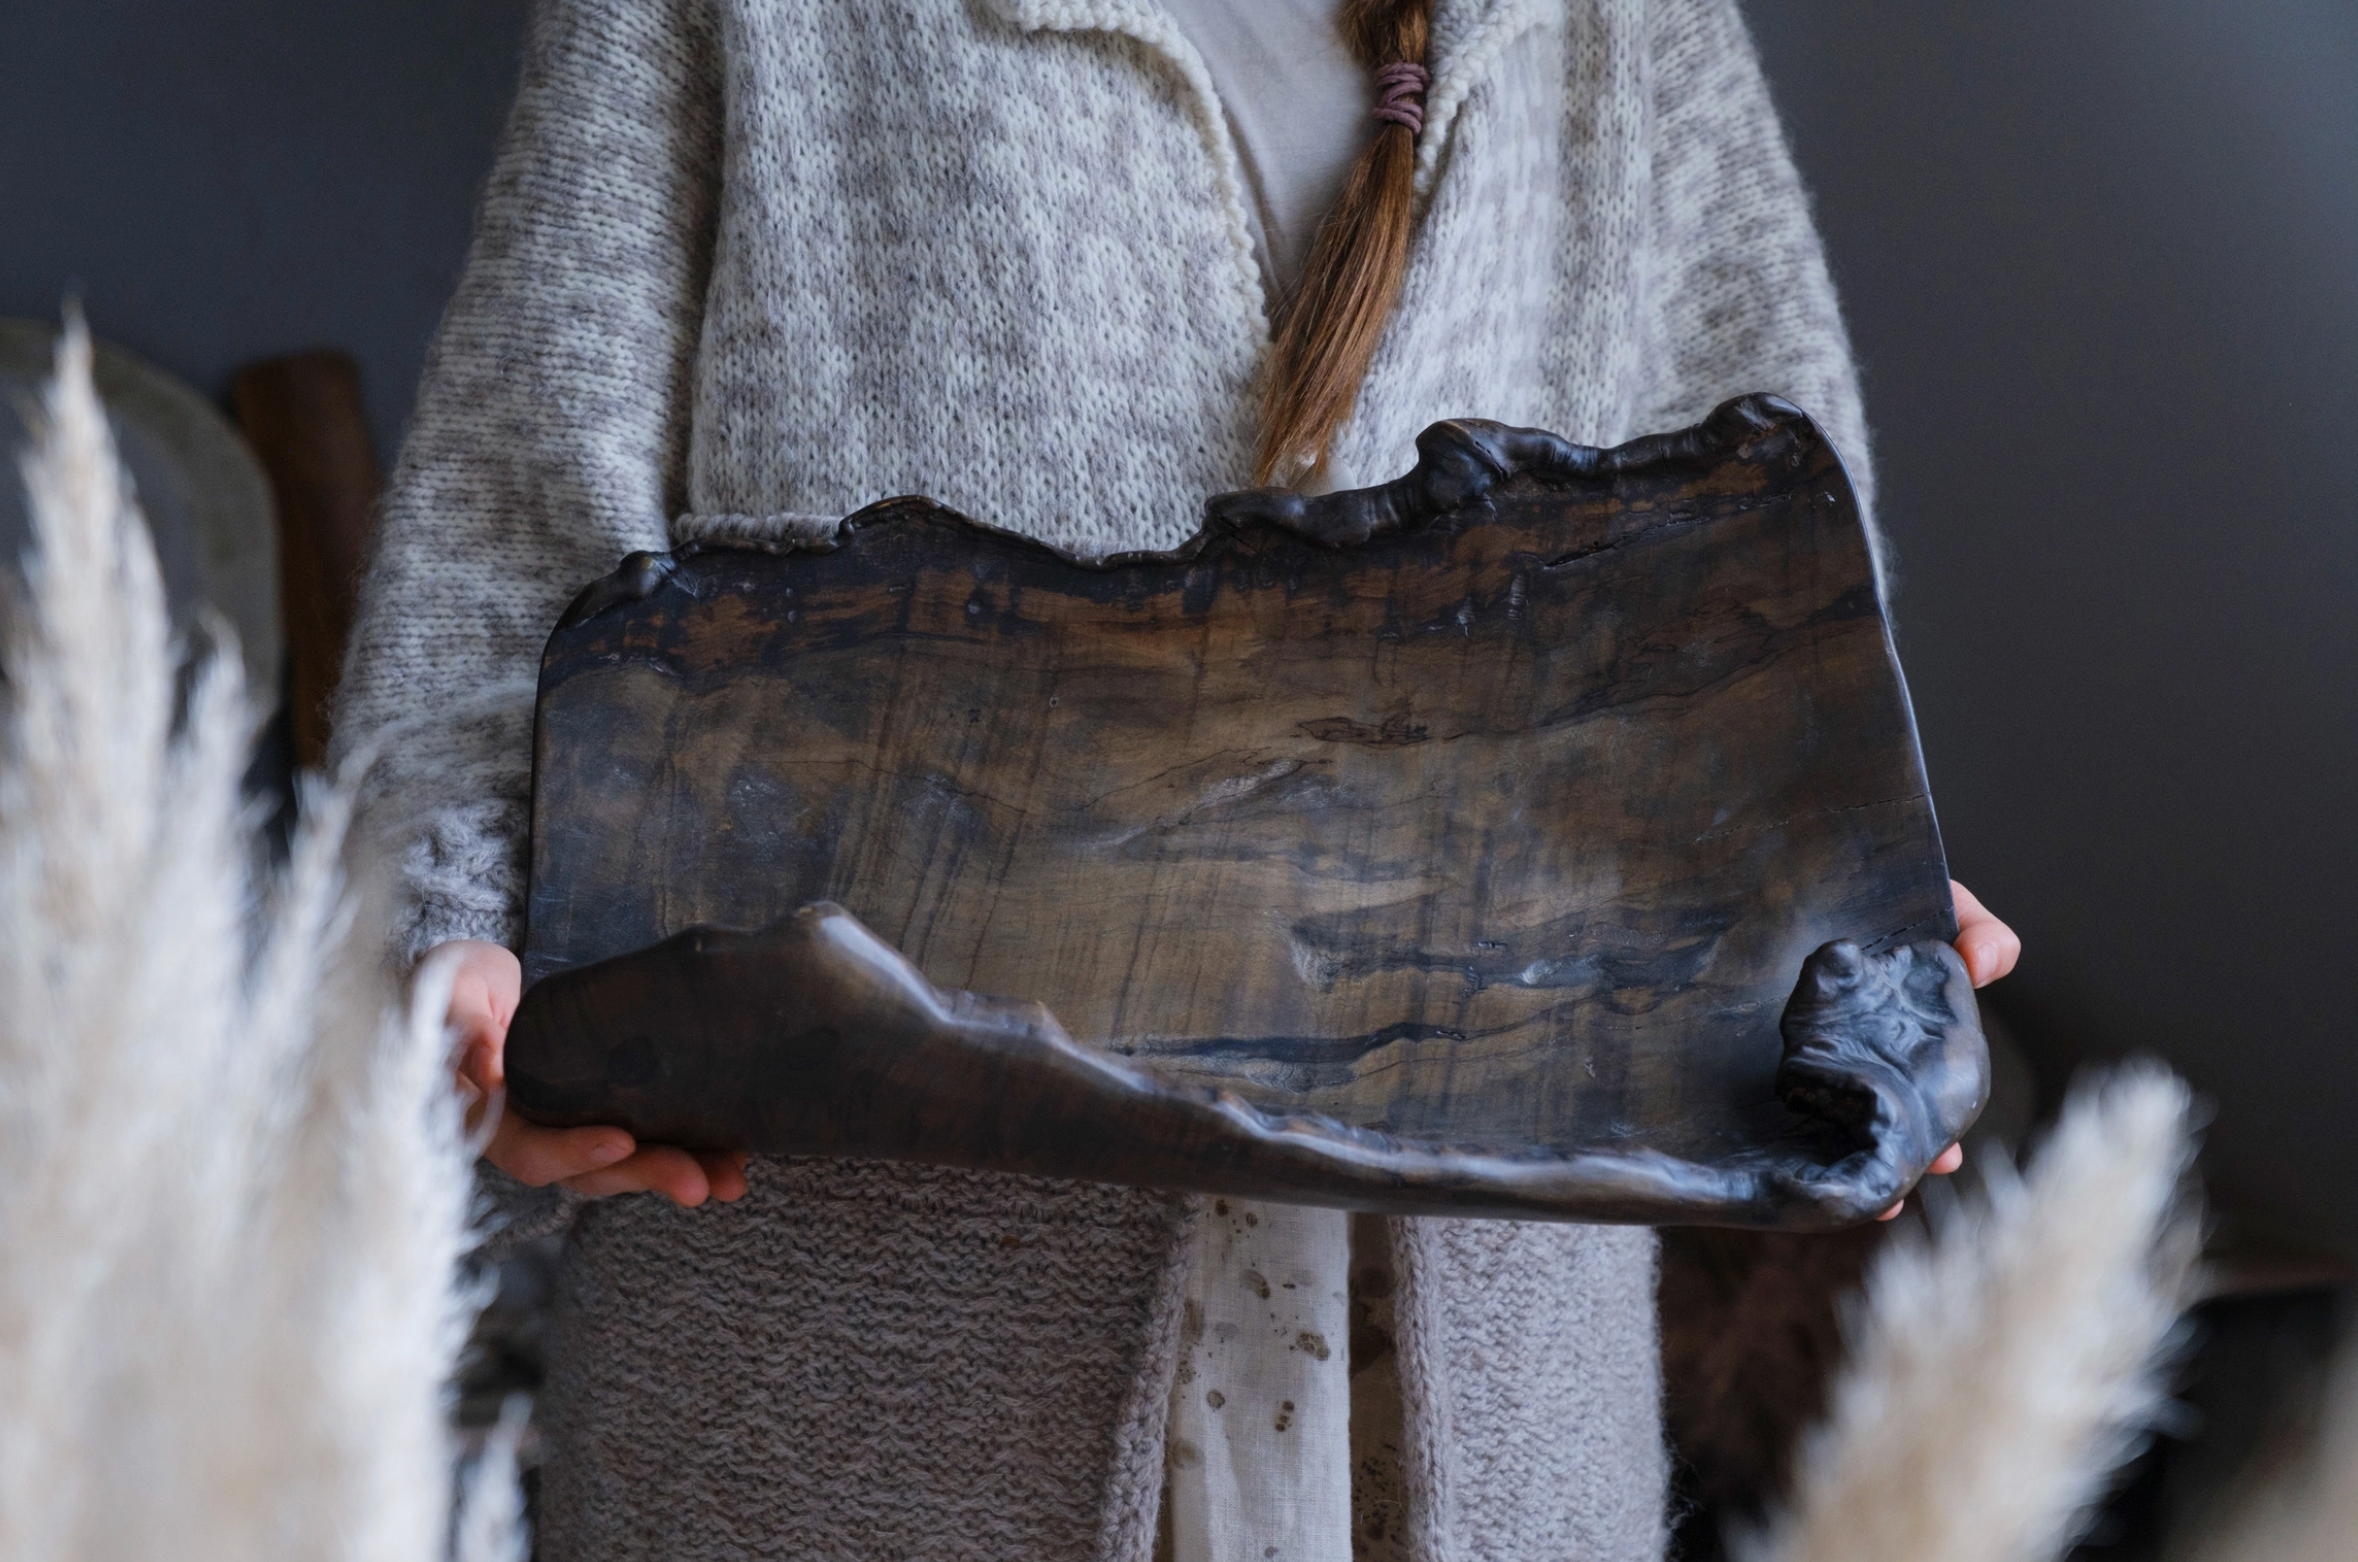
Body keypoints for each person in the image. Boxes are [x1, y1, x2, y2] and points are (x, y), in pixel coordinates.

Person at [338, 1, 2021, 1558]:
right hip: (848, 1353)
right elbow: (509, 530)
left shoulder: (1613, 23)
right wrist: (455, 943)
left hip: (1469, 1371)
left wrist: (1836, 896)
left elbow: (1771, 586)